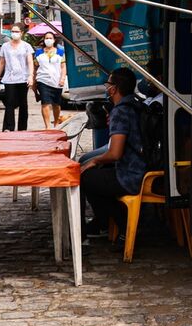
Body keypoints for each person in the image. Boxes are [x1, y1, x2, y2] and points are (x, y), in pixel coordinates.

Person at [79, 68, 145, 244]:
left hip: (130, 175)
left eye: (108, 84)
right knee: (96, 175)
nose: (106, 87)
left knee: (84, 177)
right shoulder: (137, 104)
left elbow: (115, 153)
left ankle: (113, 224)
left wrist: (94, 161)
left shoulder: (121, 111)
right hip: (143, 169)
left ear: (113, 89)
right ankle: (106, 223)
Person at [0, 26, 34, 131]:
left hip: (23, 78)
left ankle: (22, 128)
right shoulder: (5, 46)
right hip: (9, 78)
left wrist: (31, 76)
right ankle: (8, 127)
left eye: (17, 31)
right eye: (12, 31)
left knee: (23, 104)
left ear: (21, 33)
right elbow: (2, 62)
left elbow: (30, 62)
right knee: (9, 103)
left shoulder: (26, 46)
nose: (14, 33)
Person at [33, 33, 67, 129]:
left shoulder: (60, 52)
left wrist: (62, 78)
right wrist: (33, 79)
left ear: (54, 40)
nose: (48, 40)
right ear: (43, 40)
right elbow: (35, 67)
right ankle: (47, 126)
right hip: (42, 80)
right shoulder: (38, 52)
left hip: (56, 81)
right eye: (46, 38)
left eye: (50, 38)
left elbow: (63, 67)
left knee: (56, 104)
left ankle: (56, 123)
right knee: (45, 102)